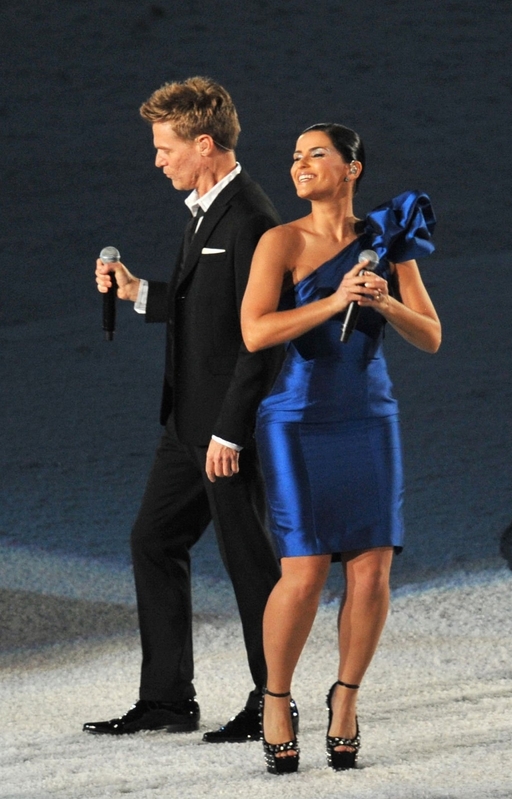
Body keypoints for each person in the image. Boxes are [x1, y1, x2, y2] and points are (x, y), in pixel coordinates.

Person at [83, 76, 287, 743]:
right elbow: (207, 309)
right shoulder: (205, 209)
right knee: (153, 539)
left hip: (224, 428)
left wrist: (231, 429)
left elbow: (260, 339)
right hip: (186, 426)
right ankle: (168, 698)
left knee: (249, 561)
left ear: (205, 145)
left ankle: (271, 701)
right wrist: (140, 289)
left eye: (165, 146)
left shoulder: (252, 219)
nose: (156, 159)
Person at [240, 123, 441, 774]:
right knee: (302, 574)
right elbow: (254, 332)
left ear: (351, 168)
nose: (299, 165)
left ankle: (346, 698)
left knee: (371, 569)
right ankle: (276, 698)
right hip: (298, 417)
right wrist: (331, 301)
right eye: (294, 157)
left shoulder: (386, 242)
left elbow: (430, 335)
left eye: (315, 154)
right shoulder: (281, 240)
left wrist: (383, 300)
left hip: (368, 415)